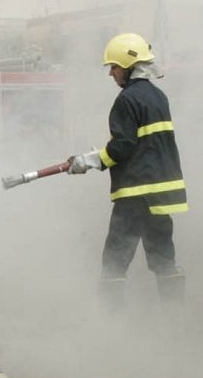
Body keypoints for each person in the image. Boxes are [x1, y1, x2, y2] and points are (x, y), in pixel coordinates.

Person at [67, 32, 187, 307]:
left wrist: (88, 161)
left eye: (114, 67)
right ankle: (177, 321)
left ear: (129, 66)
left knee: (114, 261)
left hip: (135, 193)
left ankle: (111, 323)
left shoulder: (126, 100)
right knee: (163, 259)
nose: (111, 73)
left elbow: (122, 147)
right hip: (161, 195)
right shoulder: (158, 97)